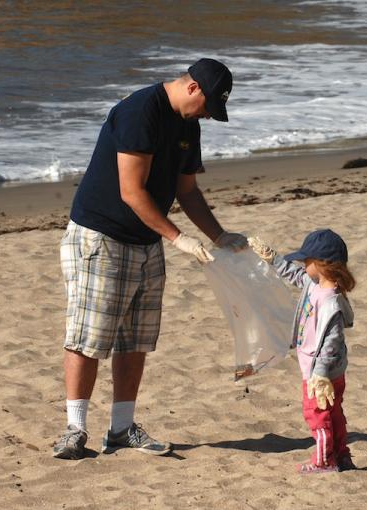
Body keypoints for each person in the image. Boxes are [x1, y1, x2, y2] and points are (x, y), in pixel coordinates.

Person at [53, 58, 247, 460]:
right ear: (193, 88)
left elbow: (187, 191)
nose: (208, 117)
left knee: (134, 338)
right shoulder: (141, 111)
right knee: (89, 336)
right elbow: (131, 191)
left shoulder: (188, 124)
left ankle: (122, 429)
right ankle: (74, 429)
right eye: (209, 107)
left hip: (146, 240)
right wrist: (178, 239)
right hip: (101, 237)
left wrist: (219, 235)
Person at [248, 229, 356, 473]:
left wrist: (320, 375)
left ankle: (324, 461)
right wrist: (273, 258)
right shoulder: (314, 283)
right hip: (325, 370)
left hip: (321, 373)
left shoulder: (330, 301)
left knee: (316, 415)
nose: (303, 264)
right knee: (334, 412)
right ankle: (342, 455)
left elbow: (332, 341)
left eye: (307, 260)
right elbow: (295, 275)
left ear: (321, 265)